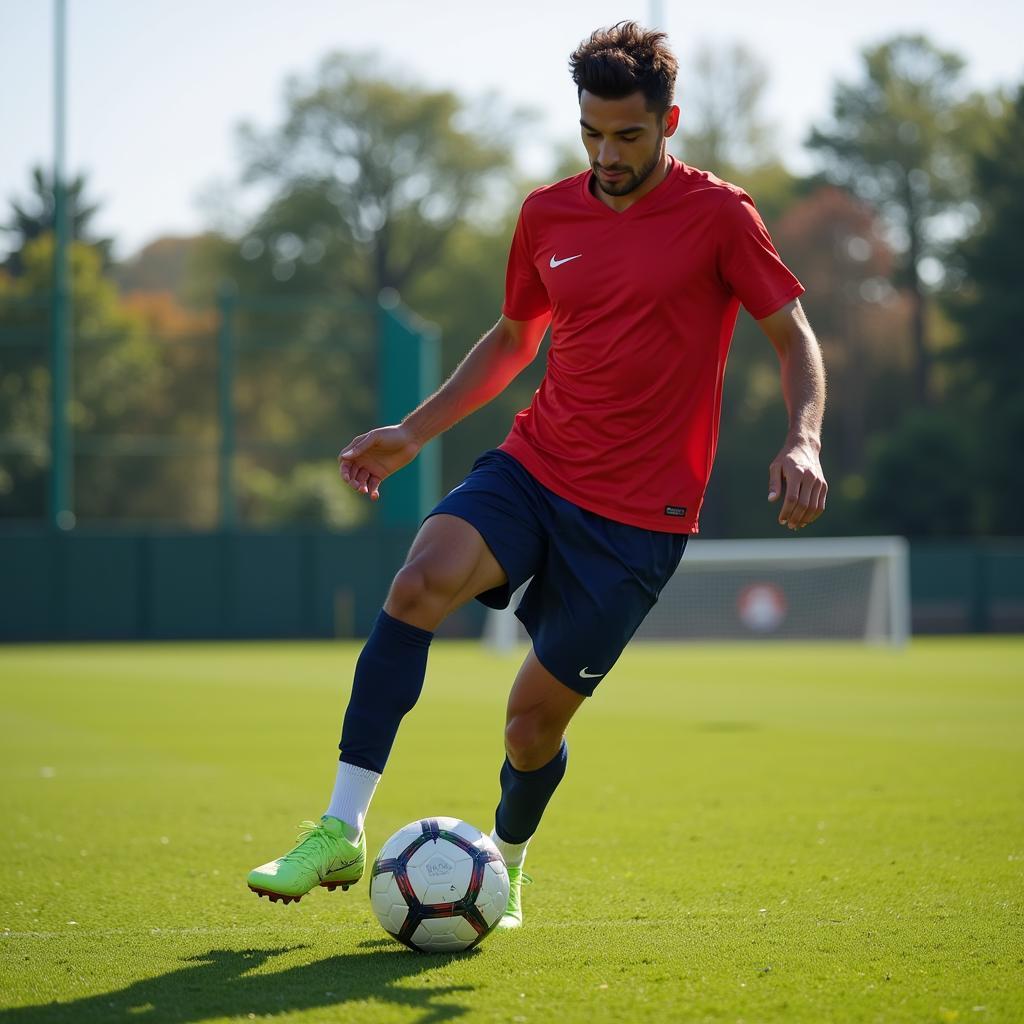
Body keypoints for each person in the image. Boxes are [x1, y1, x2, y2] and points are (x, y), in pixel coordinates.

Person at [247, 21, 827, 928]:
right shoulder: (548, 213)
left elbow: (794, 338)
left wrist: (805, 440)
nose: (606, 153)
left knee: (529, 730)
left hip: (640, 519)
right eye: (591, 132)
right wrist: (412, 430)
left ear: (668, 122)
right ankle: (340, 824)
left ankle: (505, 862)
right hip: (536, 464)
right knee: (417, 583)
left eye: (628, 135)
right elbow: (517, 336)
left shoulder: (721, 216)